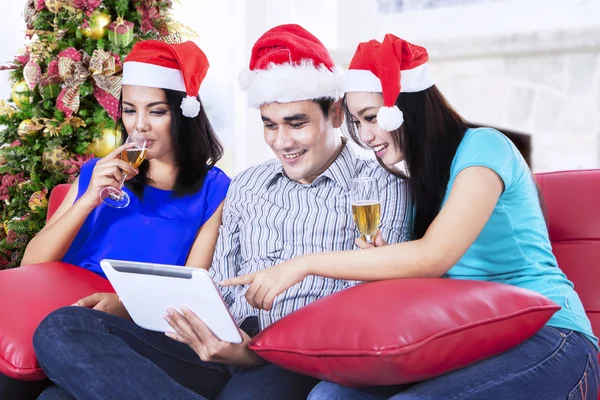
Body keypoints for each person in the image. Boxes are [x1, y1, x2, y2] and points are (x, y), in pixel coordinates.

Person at [31, 25, 410, 400]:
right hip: (212, 346)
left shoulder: (382, 187)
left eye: (297, 123)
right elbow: (214, 283)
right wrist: (210, 332)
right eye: (269, 125)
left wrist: (251, 353)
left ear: (337, 113)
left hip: (287, 356)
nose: (282, 141)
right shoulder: (247, 185)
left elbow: (365, 310)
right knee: (60, 330)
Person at [223, 34, 600, 400]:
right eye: (357, 122)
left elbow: (435, 255)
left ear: (404, 108)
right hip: (471, 337)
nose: (366, 135)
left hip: (550, 337)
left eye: (371, 118)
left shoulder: (485, 148)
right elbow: (427, 276)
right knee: (329, 395)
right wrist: (384, 259)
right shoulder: (417, 179)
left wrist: (302, 265)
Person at [0, 40, 229, 400]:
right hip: (66, 321)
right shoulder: (98, 171)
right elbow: (33, 263)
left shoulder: (214, 192)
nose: (140, 127)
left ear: (183, 113)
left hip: (141, 334)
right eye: (130, 111)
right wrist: (88, 199)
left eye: (156, 112)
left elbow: (192, 291)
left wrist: (124, 305)